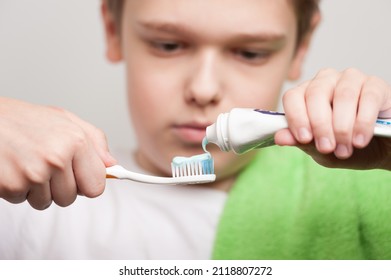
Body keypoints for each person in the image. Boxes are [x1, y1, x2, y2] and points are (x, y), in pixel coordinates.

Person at [1, 0, 391, 259]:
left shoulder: (371, 191)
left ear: (301, 47)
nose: (203, 89)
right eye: (168, 45)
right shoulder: (27, 208)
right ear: (112, 29)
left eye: (250, 53)